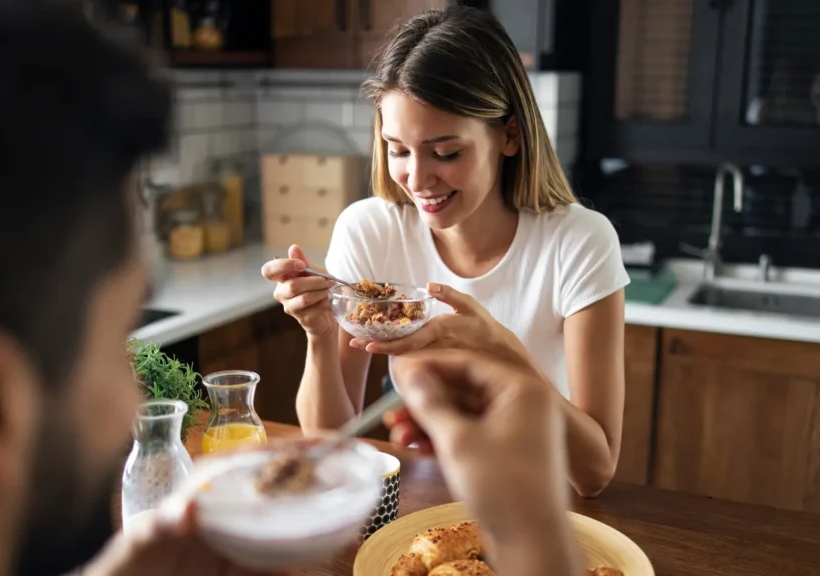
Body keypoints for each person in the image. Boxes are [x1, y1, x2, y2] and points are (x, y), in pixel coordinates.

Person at [0, 3, 580, 575]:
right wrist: (530, 540)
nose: (133, 401)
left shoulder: (571, 240)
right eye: (117, 346)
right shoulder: (372, 228)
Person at [262, 6, 630, 496]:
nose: (417, 179)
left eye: (446, 152)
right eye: (397, 149)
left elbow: (595, 472)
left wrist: (502, 352)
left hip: (541, 505)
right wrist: (320, 334)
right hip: (424, 499)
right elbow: (330, 442)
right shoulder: (369, 231)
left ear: (510, 136)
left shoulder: (579, 243)